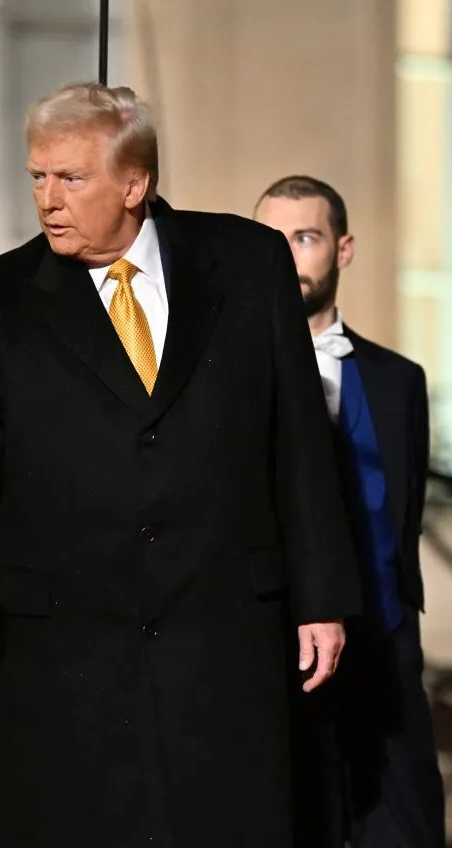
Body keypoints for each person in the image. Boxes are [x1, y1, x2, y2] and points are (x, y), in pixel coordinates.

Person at [0, 83, 362, 847]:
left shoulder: (248, 264)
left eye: (71, 179)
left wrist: (321, 596)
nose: (48, 199)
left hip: (222, 637)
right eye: (37, 178)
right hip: (67, 654)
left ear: (135, 183)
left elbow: (300, 442)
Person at [255, 176, 445, 848]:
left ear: (344, 249)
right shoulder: (232, 381)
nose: (286, 257)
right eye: (270, 241)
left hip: (385, 649)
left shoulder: (399, 382)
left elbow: (402, 510)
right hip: (275, 656)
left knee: (409, 829)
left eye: (304, 237)